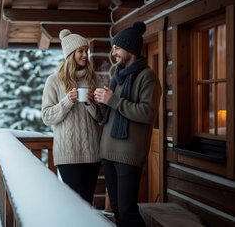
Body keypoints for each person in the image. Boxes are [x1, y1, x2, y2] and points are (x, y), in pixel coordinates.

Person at [93, 21, 162, 227]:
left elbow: (147, 113)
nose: (113, 53)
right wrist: (96, 101)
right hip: (108, 152)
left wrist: (113, 100)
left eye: (117, 48)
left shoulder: (147, 77)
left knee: (127, 211)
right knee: (117, 210)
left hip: (128, 155)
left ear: (129, 48)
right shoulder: (118, 77)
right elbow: (107, 113)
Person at [41, 29, 102, 205]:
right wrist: (67, 102)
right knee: (75, 206)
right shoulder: (54, 81)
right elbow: (46, 117)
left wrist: (90, 104)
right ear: (70, 54)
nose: (85, 55)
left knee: (87, 204)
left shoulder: (94, 79)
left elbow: (100, 117)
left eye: (86, 51)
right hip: (67, 155)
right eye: (80, 51)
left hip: (92, 153)